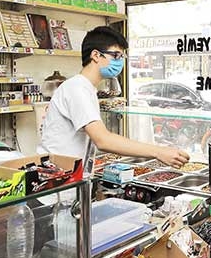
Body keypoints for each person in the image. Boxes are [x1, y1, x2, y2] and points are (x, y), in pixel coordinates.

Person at [41, 26, 190, 169]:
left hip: (70, 174)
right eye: (116, 55)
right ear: (96, 55)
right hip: (57, 178)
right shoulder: (77, 88)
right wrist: (158, 151)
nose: (120, 62)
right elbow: (103, 140)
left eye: (122, 56)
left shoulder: (86, 88)